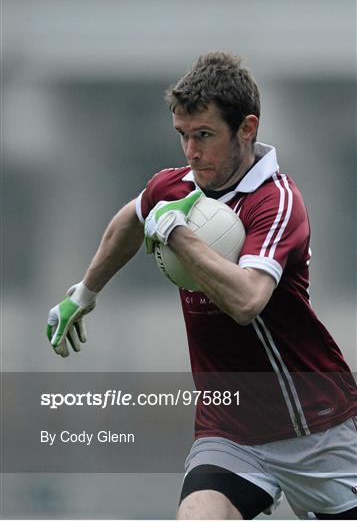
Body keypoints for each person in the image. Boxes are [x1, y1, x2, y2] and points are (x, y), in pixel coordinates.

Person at [47, 52, 357, 520]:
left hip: (317, 427)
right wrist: (83, 294)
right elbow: (129, 222)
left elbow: (248, 300)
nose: (191, 151)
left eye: (205, 135)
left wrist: (177, 234)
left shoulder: (275, 202)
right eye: (183, 136)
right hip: (229, 430)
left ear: (247, 129)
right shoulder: (172, 189)